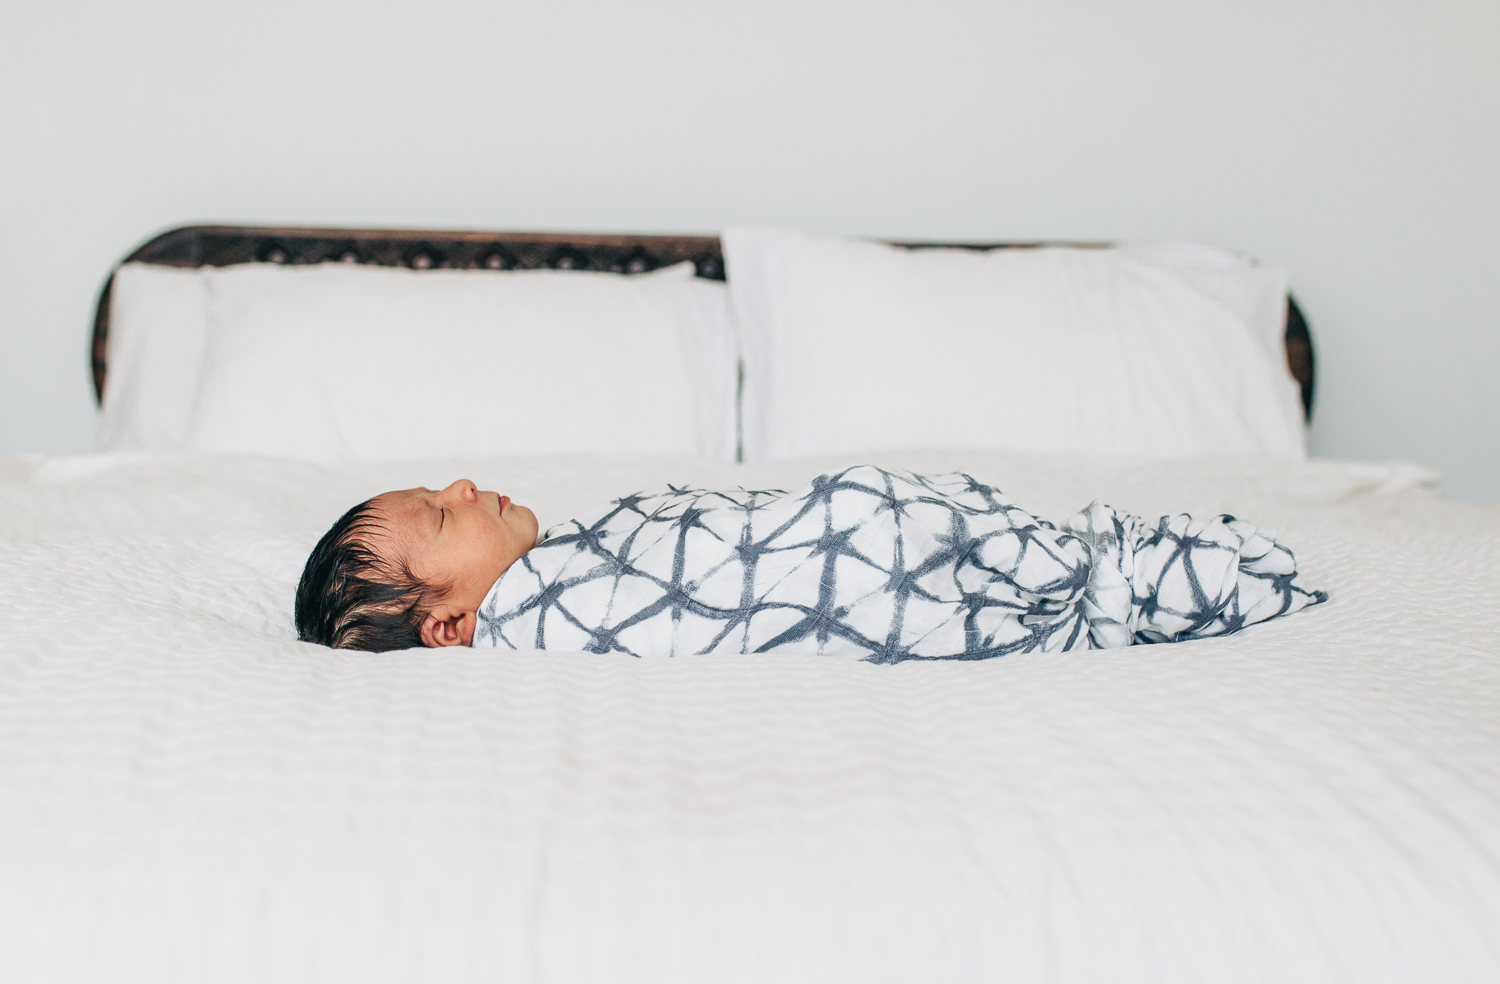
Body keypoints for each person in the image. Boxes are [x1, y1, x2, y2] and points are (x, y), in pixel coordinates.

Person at [296, 467, 1325, 659]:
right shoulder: (552, 620)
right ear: (448, 622)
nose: (469, 483)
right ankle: (1114, 583)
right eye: (441, 512)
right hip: (893, 566)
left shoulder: (564, 563)